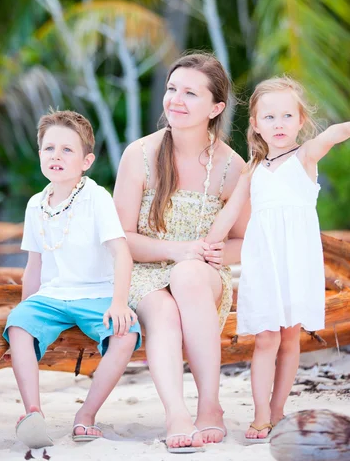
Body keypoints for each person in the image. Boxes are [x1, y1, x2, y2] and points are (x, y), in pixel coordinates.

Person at [206, 76, 350, 441]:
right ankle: (261, 413)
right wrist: (209, 243)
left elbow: (331, 136)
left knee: (290, 338)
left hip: (298, 263)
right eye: (269, 117)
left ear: (300, 121)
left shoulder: (305, 156)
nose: (278, 125)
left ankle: (279, 409)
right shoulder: (253, 170)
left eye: (286, 116)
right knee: (265, 338)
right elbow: (230, 213)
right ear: (256, 125)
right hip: (265, 265)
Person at [113, 52, 250, 453]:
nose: (175, 99)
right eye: (172, 88)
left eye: (191, 93)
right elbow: (121, 238)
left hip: (202, 277)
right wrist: (178, 250)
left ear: (216, 107)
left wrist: (204, 256)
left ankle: (210, 405)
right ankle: (176, 413)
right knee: (162, 310)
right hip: (143, 271)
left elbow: (244, 243)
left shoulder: (231, 167)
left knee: (188, 276)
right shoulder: (139, 155)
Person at [3, 110, 141, 449]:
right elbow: (33, 267)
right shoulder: (36, 204)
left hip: (96, 294)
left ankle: (86, 416)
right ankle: (33, 413)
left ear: (86, 160)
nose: (56, 156)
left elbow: (122, 253)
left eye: (67, 150)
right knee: (18, 324)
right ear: (40, 155)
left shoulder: (96, 198)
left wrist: (119, 302)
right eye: (49, 149)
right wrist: (25, 313)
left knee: (125, 335)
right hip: (52, 297)